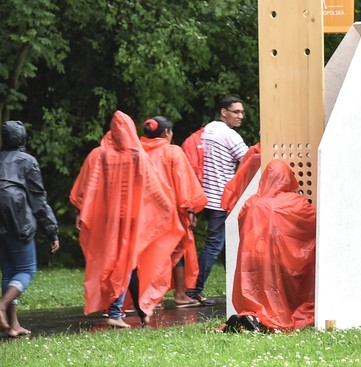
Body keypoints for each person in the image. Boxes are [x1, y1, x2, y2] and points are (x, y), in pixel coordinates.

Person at [70, 111, 184, 327]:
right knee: (126, 262)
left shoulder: (99, 154)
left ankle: (138, 310)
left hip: (107, 220)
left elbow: (86, 188)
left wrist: (80, 212)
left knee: (121, 263)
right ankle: (116, 312)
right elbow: (154, 188)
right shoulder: (137, 155)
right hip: (132, 219)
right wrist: (167, 208)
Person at [234, 159, 316, 331]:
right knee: (279, 291)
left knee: (258, 291)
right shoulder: (295, 202)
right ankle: (271, 318)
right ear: (288, 178)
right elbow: (314, 224)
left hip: (253, 258)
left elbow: (241, 222)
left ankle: (255, 316)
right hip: (282, 259)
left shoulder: (251, 202)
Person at [140, 116, 208, 307]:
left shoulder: (138, 151)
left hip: (145, 212)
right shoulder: (172, 151)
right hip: (171, 213)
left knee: (150, 252)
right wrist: (190, 210)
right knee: (177, 252)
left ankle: (153, 297)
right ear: (166, 133)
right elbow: (183, 184)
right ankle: (179, 295)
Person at [0, 121, 59, 336]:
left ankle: (12, 325)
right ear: (23, 139)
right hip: (18, 224)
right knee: (26, 270)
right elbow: (38, 200)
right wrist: (51, 230)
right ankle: (2, 305)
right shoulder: (28, 162)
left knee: (8, 273)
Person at [188, 95, 249, 304]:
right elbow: (249, 160)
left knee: (225, 244)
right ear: (224, 112)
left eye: (242, 112)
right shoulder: (230, 135)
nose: (241, 116)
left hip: (204, 195)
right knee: (215, 244)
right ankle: (195, 289)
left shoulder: (206, 131)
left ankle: (235, 286)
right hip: (222, 198)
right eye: (236, 112)